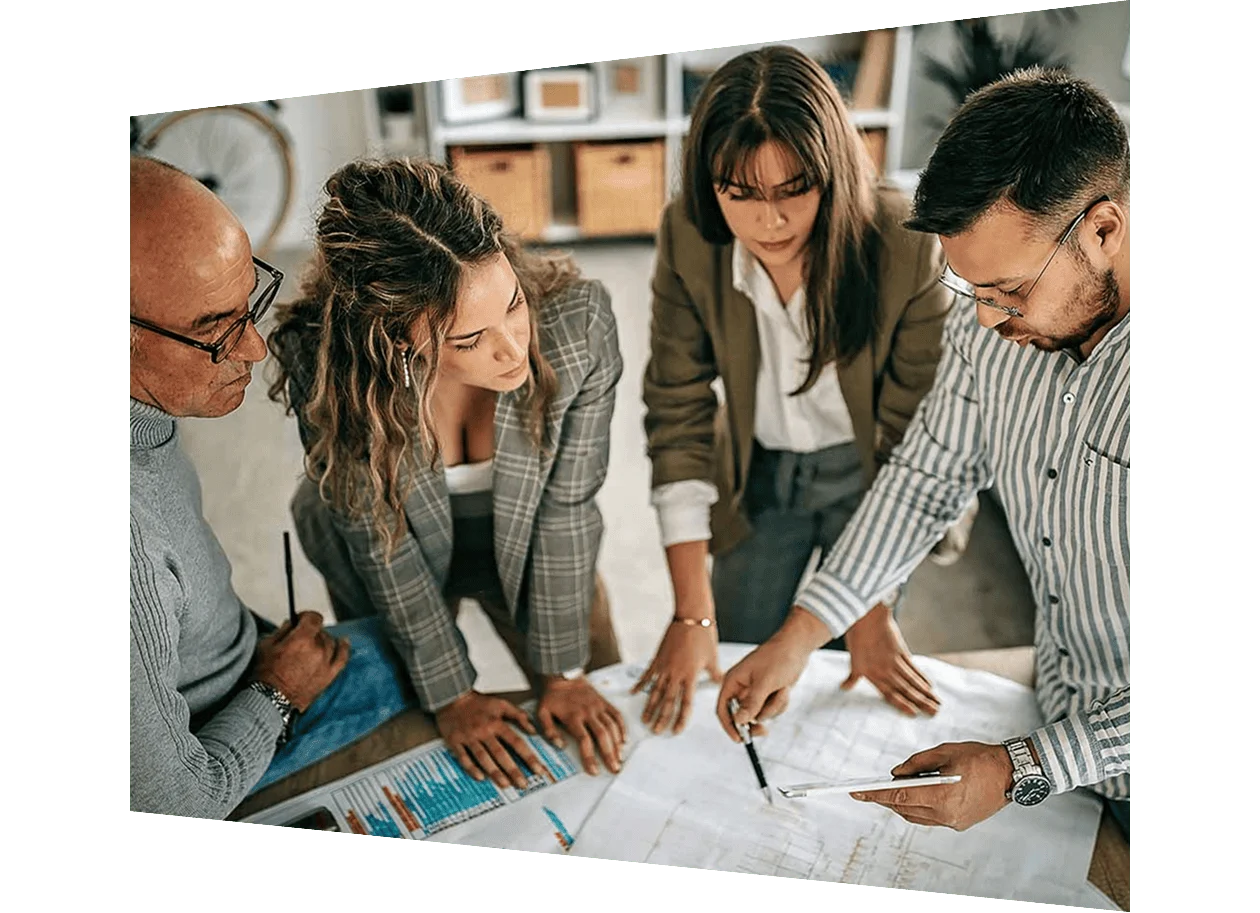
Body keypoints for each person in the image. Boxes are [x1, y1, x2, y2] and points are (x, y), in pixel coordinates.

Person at [716, 68, 1132, 843]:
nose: (987, 320)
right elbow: (925, 479)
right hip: (1055, 710)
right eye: (972, 289)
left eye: (1009, 290)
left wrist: (1021, 765)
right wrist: (801, 633)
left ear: (1103, 230)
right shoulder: (992, 325)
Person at [635, 43, 976, 735]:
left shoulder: (909, 243)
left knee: (837, 681)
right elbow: (677, 408)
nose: (770, 222)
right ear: (708, 183)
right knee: (741, 656)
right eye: (740, 194)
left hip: (873, 473)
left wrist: (869, 605)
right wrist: (691, 613)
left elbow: (922, 440)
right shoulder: (688, 234)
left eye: (794, 189)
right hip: (755, 473)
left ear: (833, 171)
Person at [267, 158, 627, 789]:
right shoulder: (322, 359)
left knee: (596, 708)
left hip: (540, 541)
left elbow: (568, 508)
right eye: (468, 340)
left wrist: (564, 674)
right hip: (385, 556)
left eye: (513, 305)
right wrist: (453, 696)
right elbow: (380, 541)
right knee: (408, 727)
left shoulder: (580, 325)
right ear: (394, 337)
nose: (513, 349)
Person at [129, 155, 423, 820]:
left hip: (226, 673)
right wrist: (278, 691)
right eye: (214, 329)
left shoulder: (142, 414)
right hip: (209, 764)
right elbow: (171, 807)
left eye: (249, 302)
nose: (256, 349)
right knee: (411, 667)